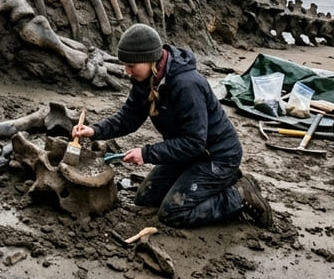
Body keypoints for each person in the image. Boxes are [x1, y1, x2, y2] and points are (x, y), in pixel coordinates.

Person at [71, 23, 271, 228]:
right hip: (187, 155)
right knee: (145, 198)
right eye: (125, 65)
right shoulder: (145, 80)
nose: (127, 72)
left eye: (131, 66)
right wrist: (95, 130)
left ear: (150, 59)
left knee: (173, 213)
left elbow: (194, 142)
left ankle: (239, 194)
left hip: (217, 157)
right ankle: (211, 184)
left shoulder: (186, 84)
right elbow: (128, 118)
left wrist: (146, 153)